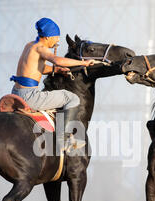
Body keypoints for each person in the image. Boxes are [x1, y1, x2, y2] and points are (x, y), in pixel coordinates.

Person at [10, 17, 94, 151]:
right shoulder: (41, 48)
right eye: (56, 37)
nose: (58, 41)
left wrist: (57, 70)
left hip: (16, 92)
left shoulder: (30, 45)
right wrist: (83, 63)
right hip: (29, 96)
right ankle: (64, 140)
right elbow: (57, 60)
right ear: (49, 37)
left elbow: (39, 69)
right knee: (72, 98)